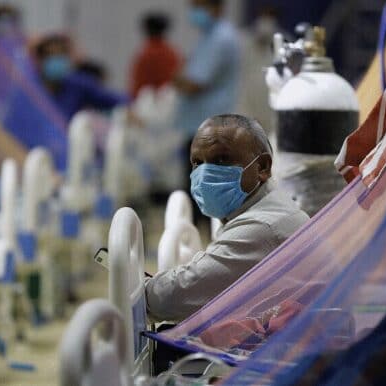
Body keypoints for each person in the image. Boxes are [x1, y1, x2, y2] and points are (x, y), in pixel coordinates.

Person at [145, 114, 310, 322]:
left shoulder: (263, 226)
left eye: (221, 159)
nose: (204, 175)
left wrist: (138, 289)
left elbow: (172, 298)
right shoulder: (268, 207)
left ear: (262, 167)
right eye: (197, 163)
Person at [174, 0, 241, 191]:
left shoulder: (221, 38)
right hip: (200, 124)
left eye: (199, 6)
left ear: (217, 6)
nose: (195, 12)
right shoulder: (209, 36)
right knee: (195, 186)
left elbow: (195, 84)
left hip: (209, 127)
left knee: (202, 189)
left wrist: (177, 79)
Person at [34, 34, 129, 121]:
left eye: (61, 55)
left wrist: (126, 111)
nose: (57, 60)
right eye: (51, 55)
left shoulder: (78, 85)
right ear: (39, 60)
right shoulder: (30, 89)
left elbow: (118, 100)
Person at [129, 12, 182, 99]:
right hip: (166, 99)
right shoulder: (172, 52)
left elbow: (140, 82)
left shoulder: (147, 53)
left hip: (150, 101)